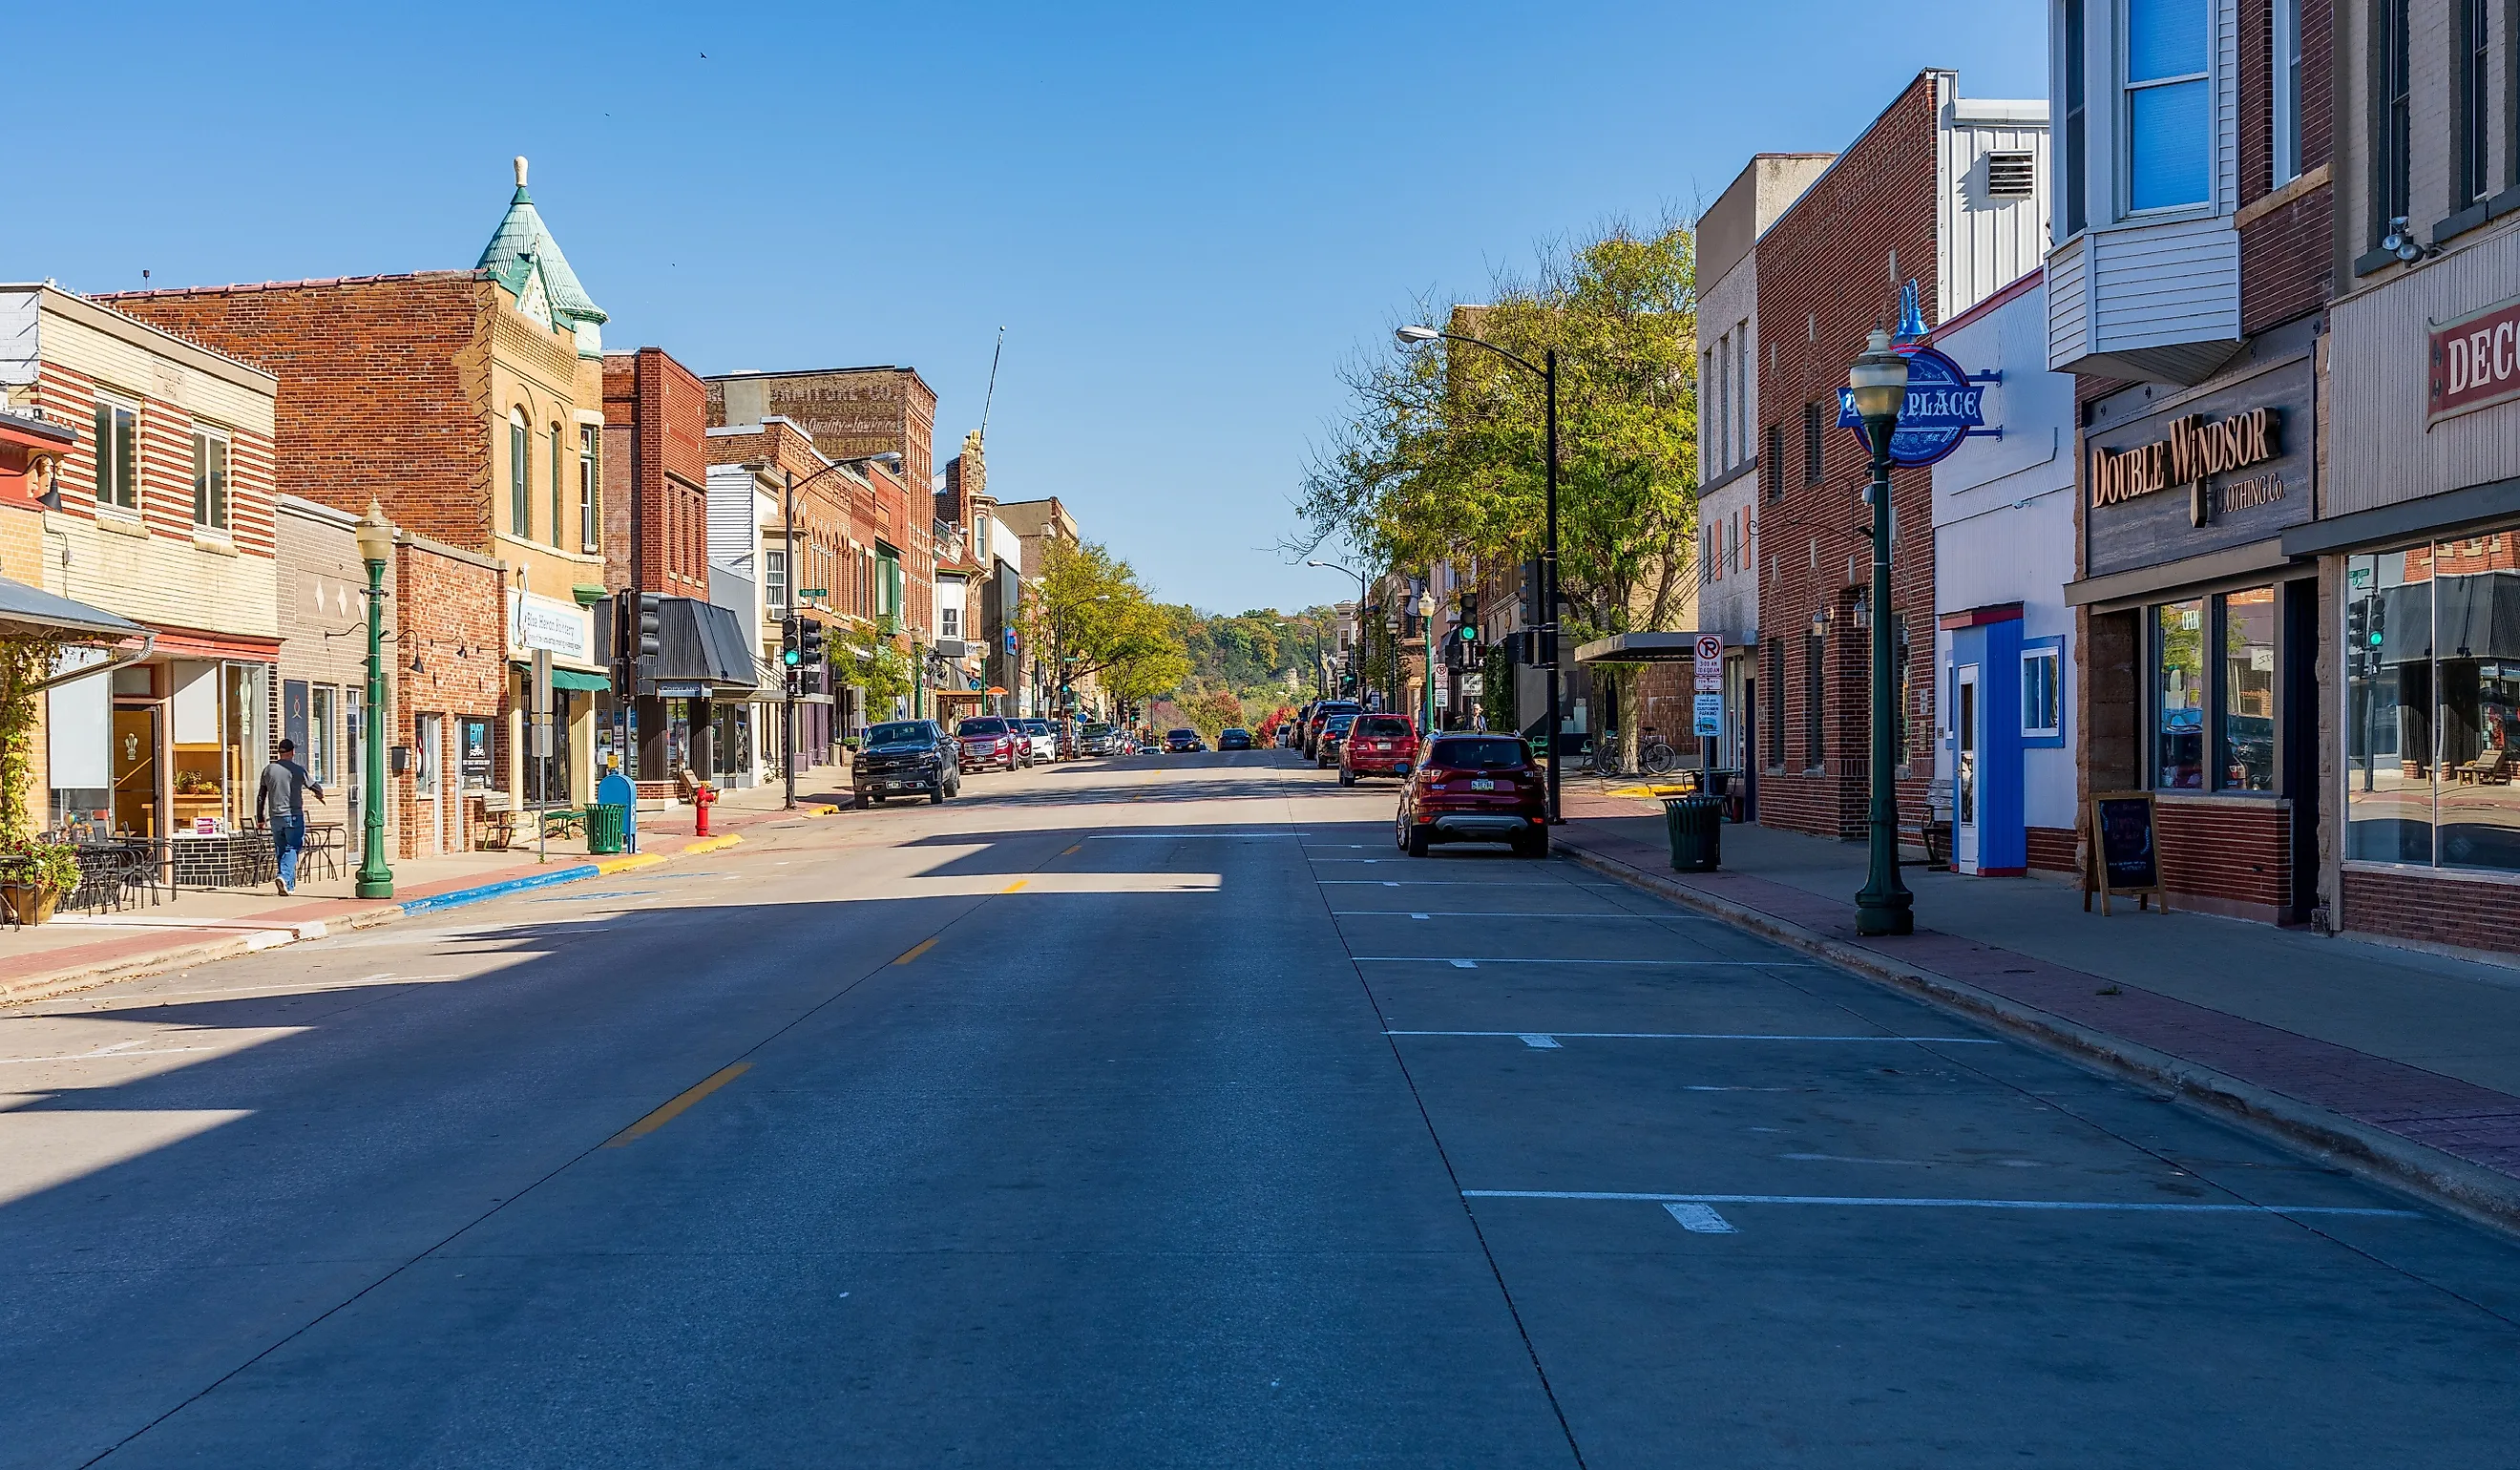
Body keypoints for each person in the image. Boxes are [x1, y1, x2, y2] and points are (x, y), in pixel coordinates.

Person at [257, 738, 326, 895]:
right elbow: (315, 786)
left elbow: (261, 796)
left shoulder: (268, 770)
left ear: (279, 752)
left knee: (282, 850)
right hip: (293, 815)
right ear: (292, 752)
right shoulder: (298, 770)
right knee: (293, 847)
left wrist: (260, 818)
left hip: (275, 817)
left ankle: (288, 886)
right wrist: (320, 794)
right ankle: (283, 876)